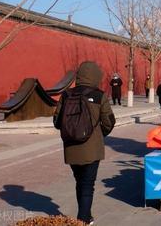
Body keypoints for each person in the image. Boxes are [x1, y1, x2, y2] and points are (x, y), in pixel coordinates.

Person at [53, 61, 115, 225]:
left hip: (71, 148)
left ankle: (86, 215)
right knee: (87, 185)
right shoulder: (99, 95)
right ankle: (83, 220)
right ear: (96, 76)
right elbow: (109, 121)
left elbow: (57, 122)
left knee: (80, 182)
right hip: (92, 148)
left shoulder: (66, 95)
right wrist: (100, 135)